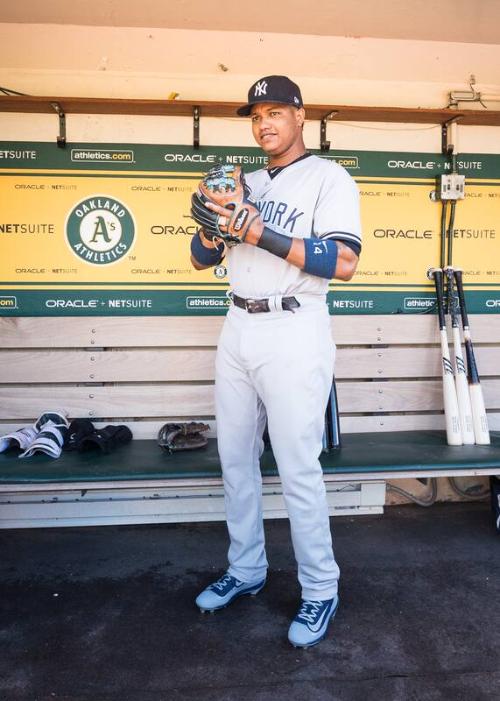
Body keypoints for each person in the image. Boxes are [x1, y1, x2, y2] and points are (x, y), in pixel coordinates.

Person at [189, 75, 362, 648]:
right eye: (255, 114)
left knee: (296, 466)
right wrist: (211, 223)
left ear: (299, 116)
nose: (264, 123)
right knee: (235, 459)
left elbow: (342, 262)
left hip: (294, 324)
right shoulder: (245, 182)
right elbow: (197, 258)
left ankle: (320, 589)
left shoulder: (328, 178)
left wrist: (258, 230)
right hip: (238, 323)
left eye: (275, 112)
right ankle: (247, 569)